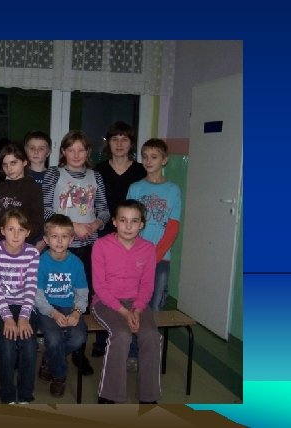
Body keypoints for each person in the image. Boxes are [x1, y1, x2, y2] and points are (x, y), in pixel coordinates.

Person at [42, 130, 110, 375]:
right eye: (71, 150)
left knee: (83, 296)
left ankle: (78, 352)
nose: (76, 154)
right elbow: (46, 209)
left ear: (88, 152)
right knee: (57, 295)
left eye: (81, 150)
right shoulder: (54, 174)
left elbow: (104, 210)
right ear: (63, 152)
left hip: (89, 247)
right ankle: (54, 344)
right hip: (60, 247)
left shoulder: (95, 176)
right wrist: (73, 226)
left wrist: (96, 224)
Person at [91, 199, 161, 404]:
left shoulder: (148, 249)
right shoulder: (101, 245)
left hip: (137, 303)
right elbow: (100, 286)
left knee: (151, 336)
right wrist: (123, 311)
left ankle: (148, 395)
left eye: (134, 221)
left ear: (142, 224)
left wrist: (137, 310)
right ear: (114, 222)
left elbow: (147, 285)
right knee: (121, 335)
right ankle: (109, 394)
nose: (128, 226)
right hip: (106, 303)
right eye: (123, 220)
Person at [92, 122, 146, 357]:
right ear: (108, 143)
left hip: (131, 235)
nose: (120, 144)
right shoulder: (99, 170)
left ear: (131, 143)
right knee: (105, 288)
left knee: (130, 290)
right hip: (105, 234)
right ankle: (102, 340)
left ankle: (131, 345)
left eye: (125, 139)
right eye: (115, 139)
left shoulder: (140, 171)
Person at [0, 209, 41, 404]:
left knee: (29, 344)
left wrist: (24, 317)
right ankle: (7, 394)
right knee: (7, 343)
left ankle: (25, 394)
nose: (16, 234)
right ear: (2, 231)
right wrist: (8, 318)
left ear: (28, 232)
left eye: (21, 230)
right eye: (11, 229)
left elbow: (31, 288)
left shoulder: (33, 253)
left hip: (26, 305)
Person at [35, 214, 88, 398]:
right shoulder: (40, 262)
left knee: (78, 338)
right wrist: (53, 313)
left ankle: (49, 358)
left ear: (71, 239)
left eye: (64, 236)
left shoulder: (76, 263)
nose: (59, 241)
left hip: (69, 307)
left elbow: (82, 293)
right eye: (54, 236)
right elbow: (37, 296)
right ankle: (59, 376)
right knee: (54, 339)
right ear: (46, 239)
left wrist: (77, 312)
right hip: (46, 308)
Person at [127, 138, 182, 312]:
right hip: (136, 255)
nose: (148, 161)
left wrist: (155, 256)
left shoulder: (173, 190)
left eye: (154, 157)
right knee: (134, 303)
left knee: (155, 305)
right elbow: (128, 223)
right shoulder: (135, 188)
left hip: (161, 257)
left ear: (164, 160)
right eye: (145, 156)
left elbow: (173, 227)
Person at [0, 143, 44, 248]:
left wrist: (21, 241)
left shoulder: (33, 188)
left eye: (13, 163)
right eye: (5, 165)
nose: (9, 168)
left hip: (21, 244)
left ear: (24, 162)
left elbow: (37, 222)